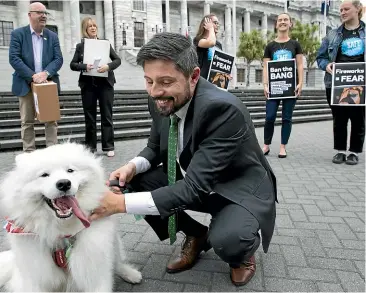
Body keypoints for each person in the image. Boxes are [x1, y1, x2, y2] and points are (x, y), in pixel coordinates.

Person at [89, 32, 277, 287]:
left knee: (230, 241)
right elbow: (155, 147)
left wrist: (117, 204)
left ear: (194, 76)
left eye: (165, 81)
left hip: (237, 189)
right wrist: (131, 166)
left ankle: (241, 252)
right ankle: (197, 234)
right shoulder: (161, 96)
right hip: (197, 181)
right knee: (135, 183)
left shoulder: (222, 110)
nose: (155, 92)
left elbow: (193, 189)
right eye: (148, 81)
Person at [9, 2, 63, 152]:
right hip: (25, 83)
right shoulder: (18, 34)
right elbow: (14, 58)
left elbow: (58, 59)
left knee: (51, 120)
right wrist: (33, 76)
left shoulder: (52, 36)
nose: (43, 16)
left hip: (48, 82)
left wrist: (45, 73)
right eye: (39, 12)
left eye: (45, 13)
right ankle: (29, 153)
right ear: (30, 15)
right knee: (27, 121)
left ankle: (52, 152)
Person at [316, 0, 365, 165]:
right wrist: (327, 65)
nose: (342, 12)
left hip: (360, 81)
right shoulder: (332, 34)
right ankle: (340, 151)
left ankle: (354, 152)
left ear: (357, 9)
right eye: (341, 9)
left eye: (346, 9)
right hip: (336, 83)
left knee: (358, 118)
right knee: (339, 118)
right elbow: (320, 58)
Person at [70, 17, 121, 157]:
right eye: (89, 26)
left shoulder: (105, 43)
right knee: (90, 118)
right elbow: (72, 64)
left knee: (107, 116)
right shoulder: (81, 46)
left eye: (94, 26)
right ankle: (90, 148)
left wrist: (108, 66)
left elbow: (117, 60)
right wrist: (84, 66)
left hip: (106, 85)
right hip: (88, 85)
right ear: (85, 30)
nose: (93, 28)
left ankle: (108, 146)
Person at [262, 13, 304, 158]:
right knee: (270, 116)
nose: (283, 22)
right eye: (280, 20)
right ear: (276, 24)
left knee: (287, 118)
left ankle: (282, 147)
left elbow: (299, 64)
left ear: (290, 24)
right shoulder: (270, 46)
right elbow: (266, 66)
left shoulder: (295, 44)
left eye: (286, 20)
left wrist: (300, 83)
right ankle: (266, 145)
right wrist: (265, 84)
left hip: (290, 87)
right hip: (274, 86)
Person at [193, 14, 223, 79]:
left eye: (218, 23)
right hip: (202, 80)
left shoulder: (218, 45)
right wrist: (211, 28)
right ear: (206, 24)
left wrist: (225, 73)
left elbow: (220, 63)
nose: (217, 25)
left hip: (215, 80)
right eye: (215, 23)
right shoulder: (198, 40)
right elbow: (211, 43)